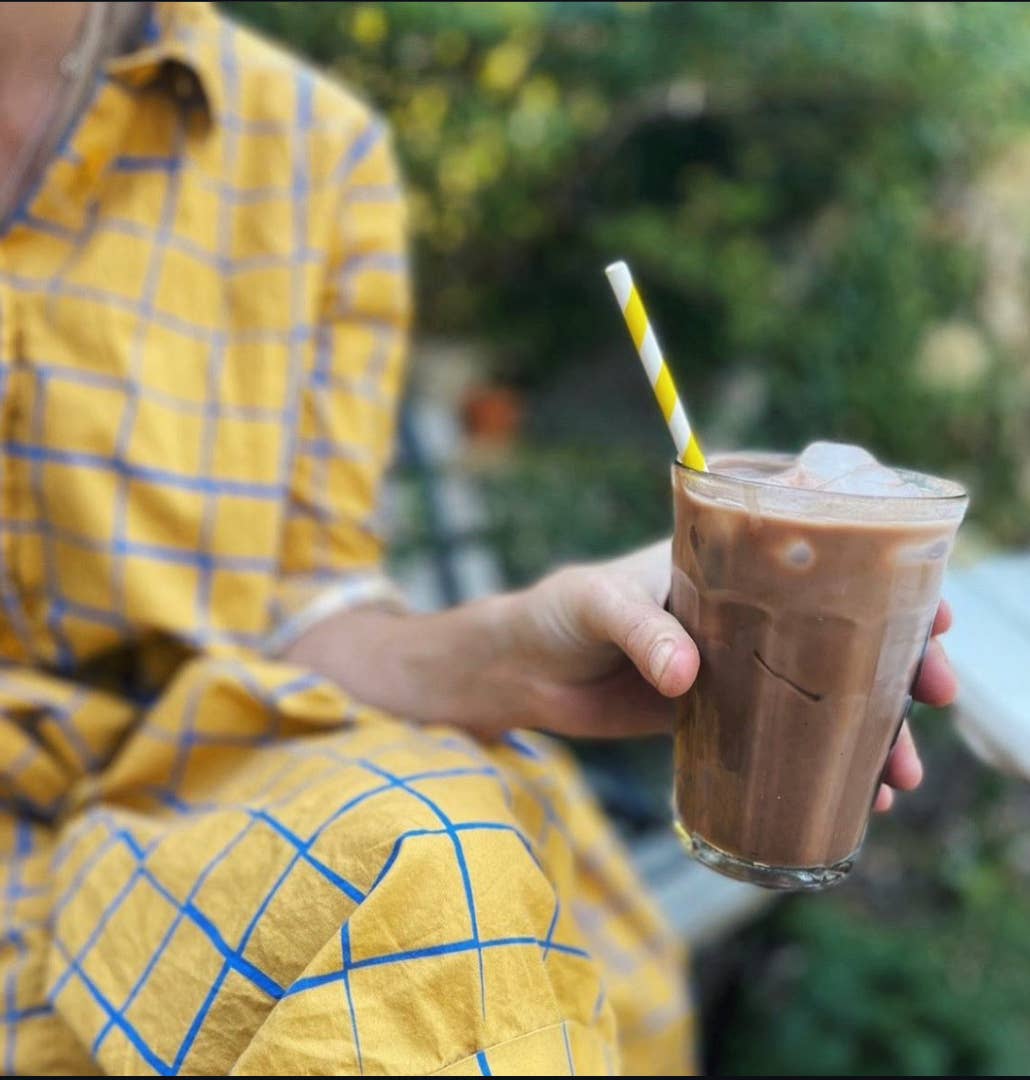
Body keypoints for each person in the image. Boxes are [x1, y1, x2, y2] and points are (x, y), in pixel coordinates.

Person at [0, 2, 958, 1074]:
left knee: (433, 874)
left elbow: (304, 610)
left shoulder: (308, 149)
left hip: (205, 765)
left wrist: (516, 650)